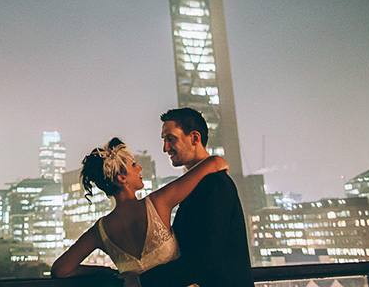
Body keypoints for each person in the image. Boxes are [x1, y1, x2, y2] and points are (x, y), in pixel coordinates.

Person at [51, 136, 228, 282]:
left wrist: (108, 272)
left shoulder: (100, 231)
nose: (140, 168)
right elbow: (215, 162)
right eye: (134, 165)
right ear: (122, 178)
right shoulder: (158, 202)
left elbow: (61, 270)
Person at [137, 107, 253, 287]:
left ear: (195, 138)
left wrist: (145, 281)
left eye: (170, 139)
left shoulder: (215, 185)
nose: (165, 148)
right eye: (164, 140)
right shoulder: (201, 184)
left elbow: (206, 258)